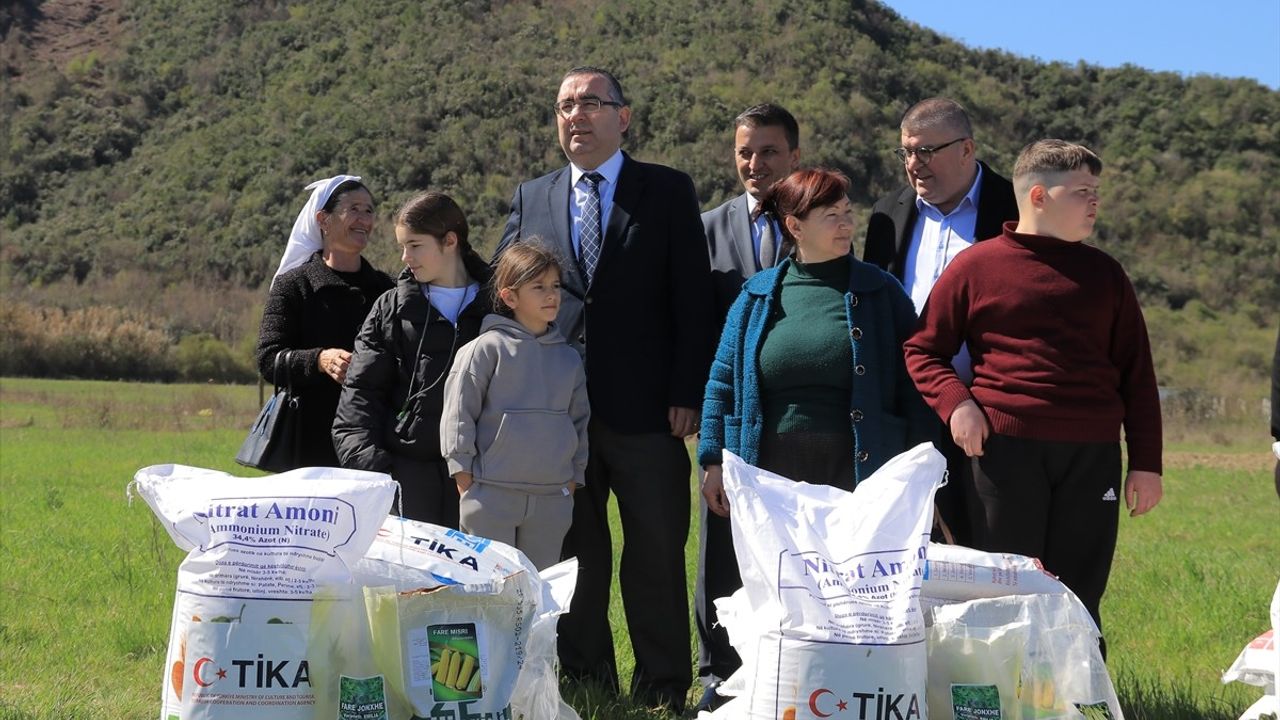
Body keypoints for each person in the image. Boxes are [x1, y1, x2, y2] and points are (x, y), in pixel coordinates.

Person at [493, 66, 715, 713]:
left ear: (624, 116)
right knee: (574, 557)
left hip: (649, 414)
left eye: (592, 101)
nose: (576, 115)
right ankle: (586, 679)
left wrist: (686, 389)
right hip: (558, 418)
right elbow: (502, 297)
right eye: (565, 104)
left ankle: (664, 685)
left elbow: (692, 299)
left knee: (654, 552)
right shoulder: (532, 196)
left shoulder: (667, 191)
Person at [903, 139, 1163, 641]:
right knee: (1004, 590)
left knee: (1079, 593)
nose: (1095, 202)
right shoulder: (976, 267)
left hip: (1092, 457)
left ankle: (1074, 706)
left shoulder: (1106, 275)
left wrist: (1147, 464)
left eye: (1097, 191)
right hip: (1003, 455)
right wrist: (958, 405)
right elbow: (922, 349)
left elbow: (1137, 374)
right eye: (1083, 191)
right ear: (1039, 196)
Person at [698, 164, 938, 553]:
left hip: (859, 469)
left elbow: (915, 386)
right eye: (831, 217)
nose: (846, 225)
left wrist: (921, 468)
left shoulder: (882, 292)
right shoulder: (756, 295)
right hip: (771, 476)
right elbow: (721, 383)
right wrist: (713, 461)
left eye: (847, 213)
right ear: (795, 227)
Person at [863, 97, 1020, 545]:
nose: (915, 164)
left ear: (967, 150)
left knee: (985, 550)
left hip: (988, 415)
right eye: (907, 152)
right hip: (905, 416)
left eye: (927, 151)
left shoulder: (1014, 209)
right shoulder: (886, 214)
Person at [694, 102, 800, 712]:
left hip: (801, 420)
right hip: (732, 413)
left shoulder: (818, 221)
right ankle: (717, 672)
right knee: (722, 546)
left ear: (793, 156)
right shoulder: (706, 228)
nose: (754, 163)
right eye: (744, 152)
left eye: (768, 151)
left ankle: (791, 662)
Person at [332, 191, 491, 526]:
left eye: (415, 245)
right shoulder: (389, 309)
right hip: (406, 483)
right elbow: (359, 401)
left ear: (450, 240)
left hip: (486, 483)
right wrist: (379, 478)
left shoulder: (501, 306)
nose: (405, 257)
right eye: (402, 246)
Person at [439, 243, 589, 570]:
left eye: (555, 286)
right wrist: (466, 482)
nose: (551, 295)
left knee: (539, 598)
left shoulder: (568, 359)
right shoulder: (483, 350)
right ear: (510, 297)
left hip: (551, 500)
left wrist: (570, 483)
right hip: (490, 496)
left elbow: (579, 422)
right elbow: (458, 416)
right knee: (492, 599)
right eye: (538, 287)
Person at [256, 175, 394, 469]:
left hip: (372, 440)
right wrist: (319, 359)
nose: (364, 219)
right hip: (308, 445)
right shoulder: (294, 286)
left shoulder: (387, 290)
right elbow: (269, 360)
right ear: (323, 219)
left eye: (369, 211)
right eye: (354, 209)